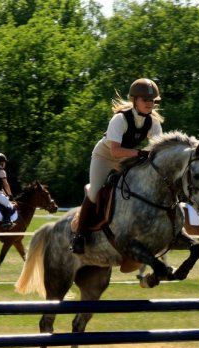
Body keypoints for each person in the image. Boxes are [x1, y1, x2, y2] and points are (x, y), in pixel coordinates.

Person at [70, 78, 164, 254]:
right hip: (104, 157)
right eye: (145, 100)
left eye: (152, 100)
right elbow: (115, 151)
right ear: (135, 100)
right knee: (95, 191)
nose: (149, 103)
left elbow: (156, 149)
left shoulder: (154, 123)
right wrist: (140, 153)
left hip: (127, 158)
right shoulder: (120, 119)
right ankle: (79, 236)